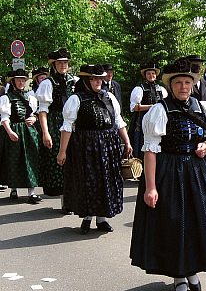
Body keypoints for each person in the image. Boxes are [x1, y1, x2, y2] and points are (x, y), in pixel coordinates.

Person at [130, 60, 206, 291]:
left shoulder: (203, 107)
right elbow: (150, 150)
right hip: (170, 172)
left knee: (198, 221)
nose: (183, 87)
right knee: (176, 225)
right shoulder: (159, 110)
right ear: (171, 86)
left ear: (193, 85)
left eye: (187, 82)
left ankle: (193, 270)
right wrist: (150, 187)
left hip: (197, 172)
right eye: (178, 83)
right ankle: (178, 276)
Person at [56, 65, 132, 233]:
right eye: (93, 78)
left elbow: (118, 120)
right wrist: (62, 151)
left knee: (106, 180)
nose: (98, 81)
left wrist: (127, 141)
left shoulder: (109, 97)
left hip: (109, 145)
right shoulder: (76, 99)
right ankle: (87, 217)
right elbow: (67, 126)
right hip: (86, 146)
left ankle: (102, 219)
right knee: (88, 181)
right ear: (85, 80)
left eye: (99, 78)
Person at [36, 48, 77, 210]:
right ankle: (64, 200)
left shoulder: (74, 81)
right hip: (55, 123)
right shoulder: (48, 83)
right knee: (60, 160)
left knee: (74, 160)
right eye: (60, 63)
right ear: (54, 65)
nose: (63, 65)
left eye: (65, 63)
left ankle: (71, 199)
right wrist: (46, 132)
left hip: (73, 123)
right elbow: (43, 111)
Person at [0, 68, 41, 204]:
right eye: (19, 80)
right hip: (14, 130)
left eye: (23, 80)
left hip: (29, 132)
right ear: (13, 82)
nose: (21, 82)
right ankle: (13, 189)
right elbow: (5, 118)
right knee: (14, 159)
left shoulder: (30, 96)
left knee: (31, 159)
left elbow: (35, 113)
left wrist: (34, 118)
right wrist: (10, 132)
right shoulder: (6, 98)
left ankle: (32, 192)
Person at [128, 64, 168, 159]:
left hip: (158, 121)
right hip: (142, 120)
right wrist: (153, 107)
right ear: (145, 75)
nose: (151, 75)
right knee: (142, 143)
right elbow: (134, 107)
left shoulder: (161, 89)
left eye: (153, 73)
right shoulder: (139, 88)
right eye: (149, 74)